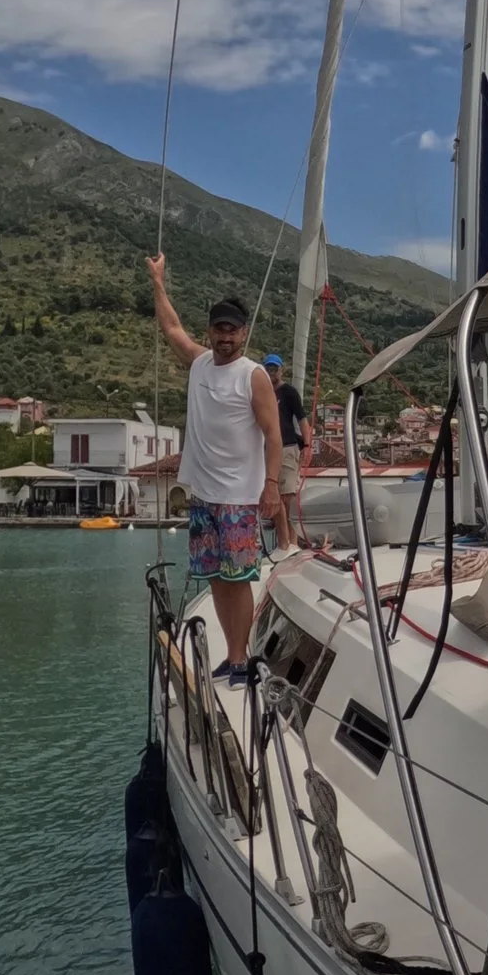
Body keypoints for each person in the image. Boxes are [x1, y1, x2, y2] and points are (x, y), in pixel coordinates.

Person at [147, 258, 285, 682]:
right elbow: (172, 328)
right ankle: (233, 655)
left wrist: (272, 486)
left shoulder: (253, 376)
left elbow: (274, 435)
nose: (225, 337)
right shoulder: (199, 363)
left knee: (238, 579)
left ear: (243, 333)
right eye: (219, 329)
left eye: (233, 330)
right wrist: (157, 281)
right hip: (204, 495)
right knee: (217, 579)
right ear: (210, 331)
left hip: (239, 497)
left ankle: (242, 659)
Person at [264, 352, 307, 535]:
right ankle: (283, 540)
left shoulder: (289, 392)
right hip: (266, 449)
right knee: (273, 495)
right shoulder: (261, 391)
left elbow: (302, 419)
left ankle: (293, 541)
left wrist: (307, 446)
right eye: (268, 368)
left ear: (281, 370)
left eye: (274, 369)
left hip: (288, 447)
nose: (271, 372)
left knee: (288, 496)